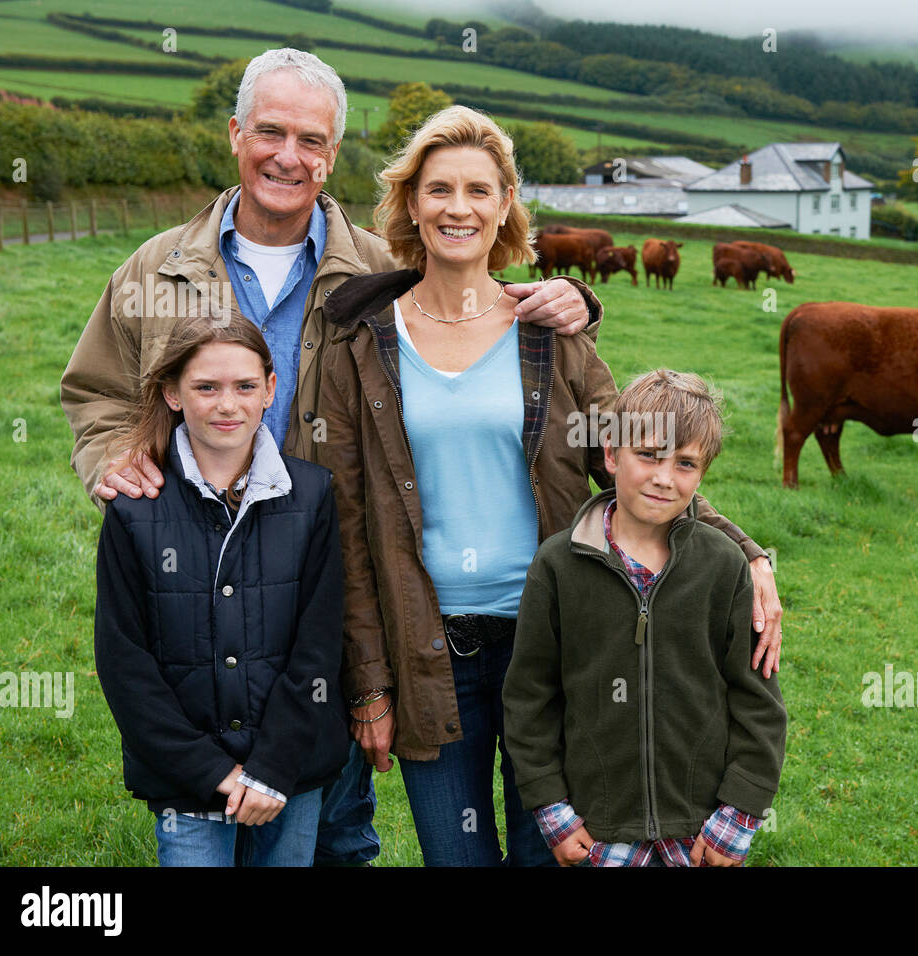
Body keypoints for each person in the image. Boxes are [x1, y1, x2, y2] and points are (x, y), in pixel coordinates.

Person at [59, 48, 602, 866]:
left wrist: (576, 301)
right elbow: (96, 387)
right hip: (197, 572)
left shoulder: (379, 271)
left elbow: (472, 295)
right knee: (203, 792)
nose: (288, 155)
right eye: (269, 131)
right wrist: (111, 457)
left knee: (337, 814)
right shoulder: (156, 269)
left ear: (334, 154)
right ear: (236, 133)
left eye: (312, 140)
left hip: (334, 575)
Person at [316, 104, 783, 866]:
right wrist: (368, 682)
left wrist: (745, 550)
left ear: (505, 207)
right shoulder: (365, 342)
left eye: (478, 190)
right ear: (411, 204)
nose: (457, 208)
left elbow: (636, 464)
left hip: (564, 641)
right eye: (438, 190)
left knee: (557, 855)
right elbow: (349, 522)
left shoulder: (549, 331)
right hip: (431, 651)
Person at [502, 370, 787, 867]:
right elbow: (530, 699)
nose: (663, 477)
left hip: (701, 833)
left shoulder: (723, 567)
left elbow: (759, 704)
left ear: (702, 475)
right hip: (597, 830)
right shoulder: (558, 566)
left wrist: (738, 815)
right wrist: (553, 811)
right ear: (611, 454)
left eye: (685, 463)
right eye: (649, 455)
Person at [93, 314, 349, 866]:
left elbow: (320, 646)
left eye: (245, 387)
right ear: (172, 394)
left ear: (271, 390)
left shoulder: (312, 496)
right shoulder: (134, 508)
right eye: (205, 387)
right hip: (185, 782)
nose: (227, 405)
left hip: (289, 773)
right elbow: (124, 661)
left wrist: (272, 768)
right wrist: (212, 771)